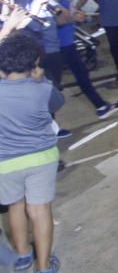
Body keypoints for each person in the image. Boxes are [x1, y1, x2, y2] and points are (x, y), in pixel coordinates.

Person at [0, 33, 63, 273]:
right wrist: (42, 78)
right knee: (39, 211)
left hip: (5, 161)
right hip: (42, 158)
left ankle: (23, 255)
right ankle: (44, 266)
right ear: (34, 62)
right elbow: (57, 104)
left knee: (15, 206)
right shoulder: (43, 88)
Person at [43, 0, 118, 119]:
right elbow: (53, 20)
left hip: (66, 41)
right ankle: (48, 124)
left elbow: (64, 13)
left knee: (80, 75)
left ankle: (101, 106)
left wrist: (75, 14)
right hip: (58, 44)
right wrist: (73, 17)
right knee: (54, 85)